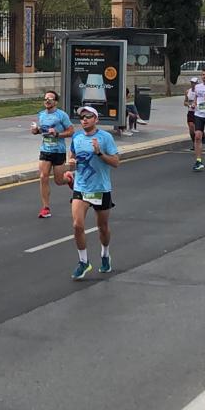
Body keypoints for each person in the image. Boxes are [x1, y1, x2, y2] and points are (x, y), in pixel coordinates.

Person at [56, 105, 120, 280]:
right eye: (82, 117)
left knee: (103, 228)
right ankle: (83, 262)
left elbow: (115, 162)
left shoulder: (105, 138)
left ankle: (105, 255)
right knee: (77, 225)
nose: (84, 119)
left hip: (101, 188)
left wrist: (99, 153)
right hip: (81, 187)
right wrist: (71, 164)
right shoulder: (76, 136)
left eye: (88, 116)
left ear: (96, 119)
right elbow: (73, 155)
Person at [32, 91, 73, 218]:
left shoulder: (62, 115)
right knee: (43, 177)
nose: (47, 101)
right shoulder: (41, 115)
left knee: (59, 181)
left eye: (50, 99)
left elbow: (71, 131)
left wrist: (58, 134)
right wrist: (36, 131)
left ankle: (69, 178)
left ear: (55, 102)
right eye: (46, 99)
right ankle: (45, 208)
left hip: (58, 151)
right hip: (45, 150)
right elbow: (42, 131)